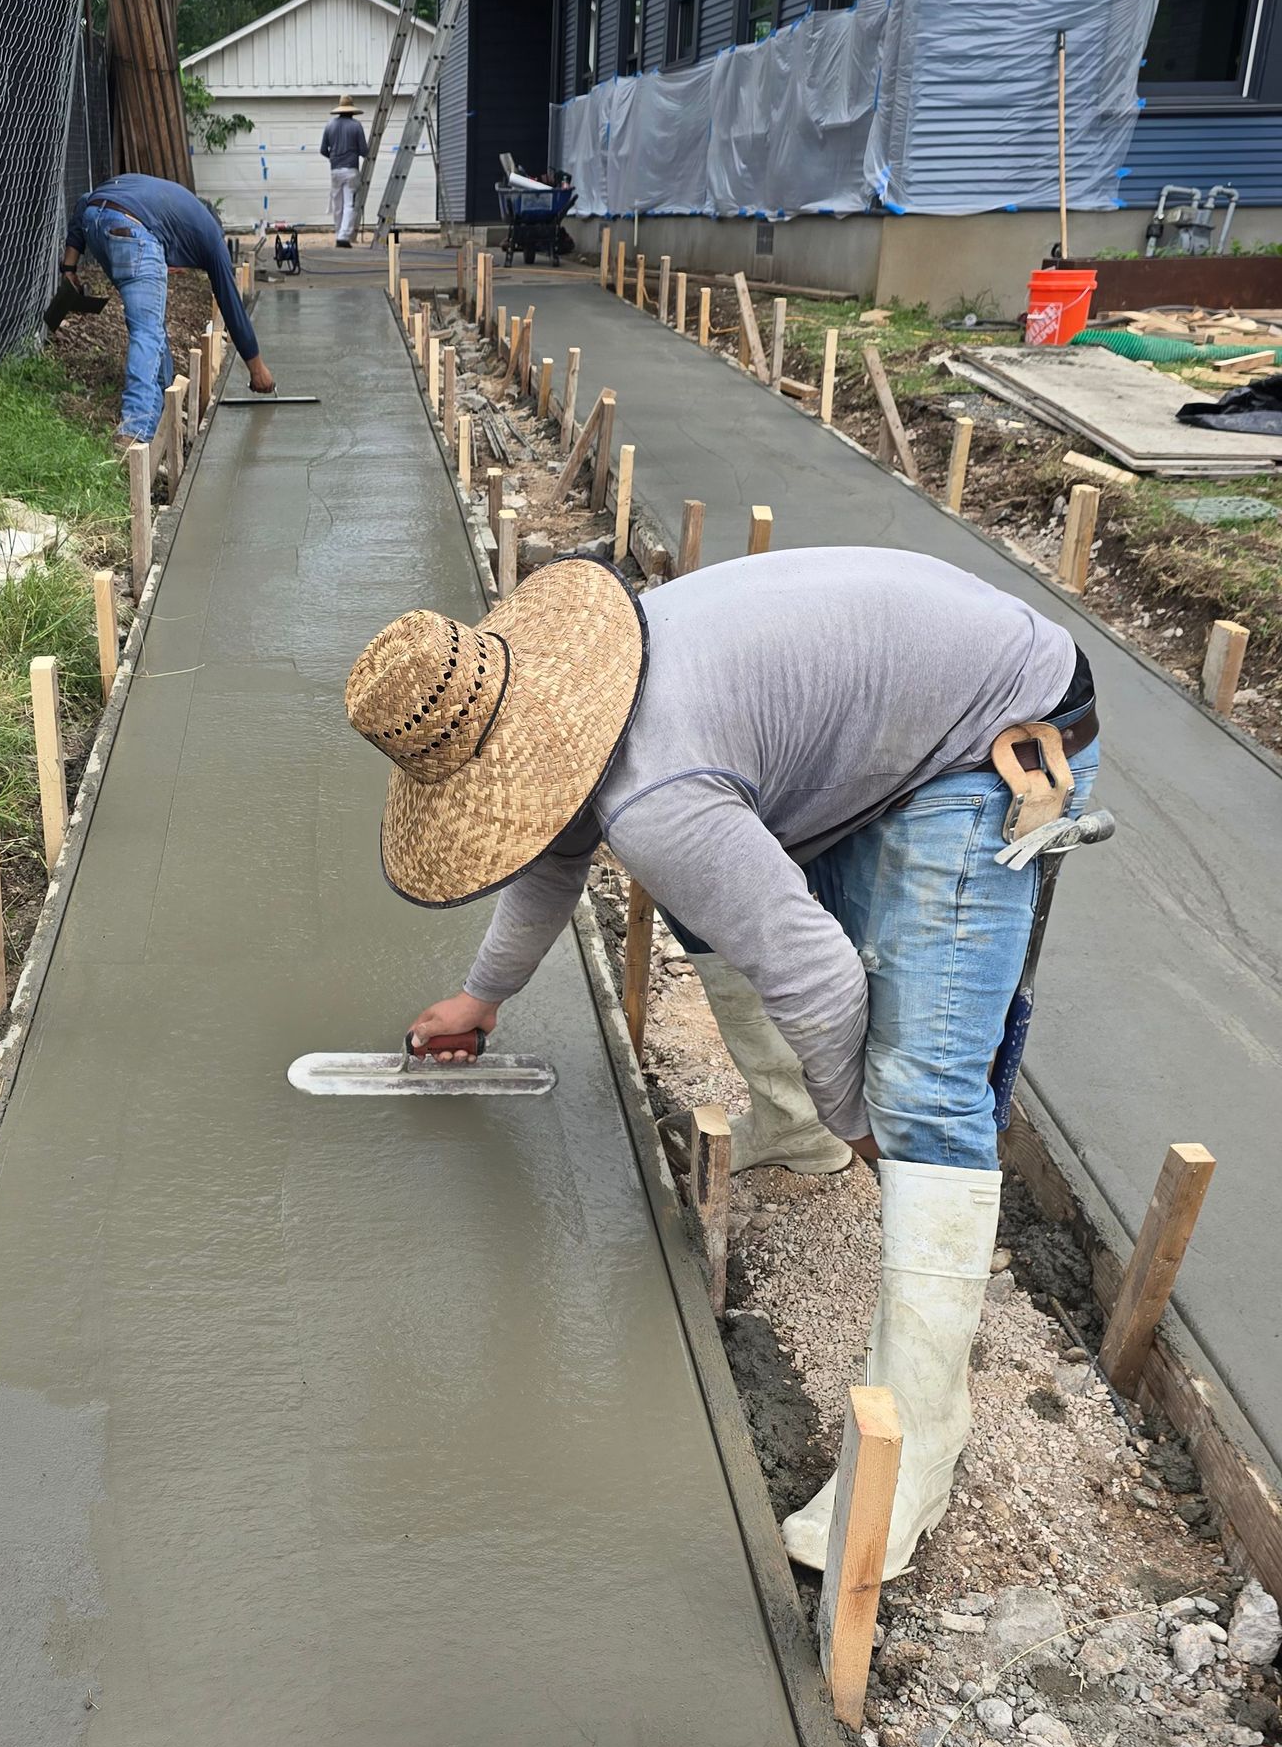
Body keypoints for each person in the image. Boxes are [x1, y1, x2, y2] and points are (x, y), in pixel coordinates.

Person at [341, 546, 1099, 1580]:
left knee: (920, 1085)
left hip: (991, 728)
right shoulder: (574, 704)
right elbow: (550, 858)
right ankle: (791, 1127)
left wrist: (857, 1114)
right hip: (899, 699)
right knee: (726, 905)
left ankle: (916, 1449)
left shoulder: (657, 794)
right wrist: (483, 997)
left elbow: (822, 980)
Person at [54, 173, 274, 452]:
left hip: (96, 223)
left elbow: (85, 202)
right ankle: (136, 430)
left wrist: (69, 269)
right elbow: (231, 304)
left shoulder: (166, 200)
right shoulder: (211, 235)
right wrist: (257, 369)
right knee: (146, 331)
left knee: (149, 324)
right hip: (133, 232)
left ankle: (164, 399)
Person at [320, 95, 367, 246]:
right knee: (349, 204)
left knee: (337, 204)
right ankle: (343, 236)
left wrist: (334, 157)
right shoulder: (356, 126)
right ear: (352, 111)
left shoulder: (330, 126)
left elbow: (323, 150)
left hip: (335, 170)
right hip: (351, 169)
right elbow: (364, 151)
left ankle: (338, 233)